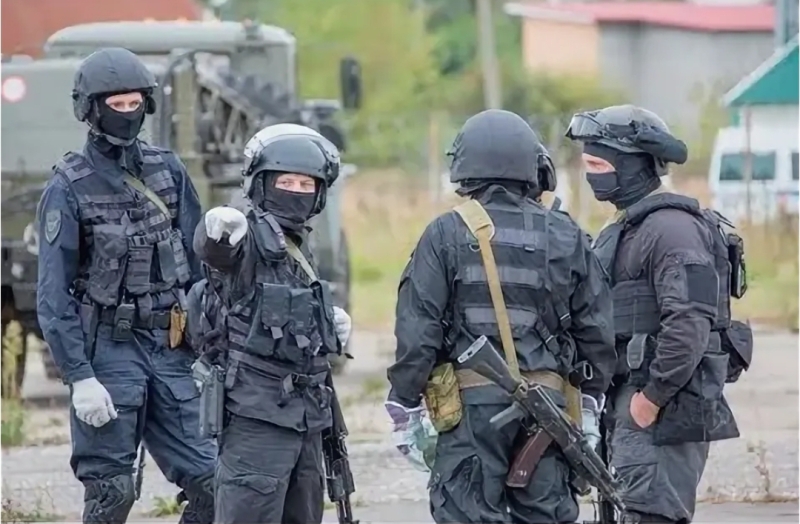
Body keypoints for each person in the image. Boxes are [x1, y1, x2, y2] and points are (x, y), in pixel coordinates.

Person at [385, 109, 617, 523]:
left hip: (471, 414)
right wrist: (590, 399)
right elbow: (596, 331)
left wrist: (404, 400)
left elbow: (418, 329)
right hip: (550, 409)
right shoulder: (566, 234)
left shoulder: (445, 233)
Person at [35, 48, 216, 523]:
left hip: (172, 346)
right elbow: (53, 297)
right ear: (91, 109)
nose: (127, 113)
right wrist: (79, 376)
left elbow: (200, 267)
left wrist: (213, 341)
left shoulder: (168, 170)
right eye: (116, 105)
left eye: (135, 103)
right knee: (112, 493)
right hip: (108, 354)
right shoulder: (68, 187)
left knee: (215, 483)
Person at [566, 104, 751, 523]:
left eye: (598, 164)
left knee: (651, 515)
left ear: (632, 164)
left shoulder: (672, 229)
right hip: (630, 403)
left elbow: (689, 323)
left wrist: (652, 398)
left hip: (660, 410)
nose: (591, 175)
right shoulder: (630, 227)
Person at [191, 123, 353, 524]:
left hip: (306, 419)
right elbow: (217, 256)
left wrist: (326, 324)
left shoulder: (297, 246)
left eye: (305, 184)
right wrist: (217, 233)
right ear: (261, 184)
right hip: (257, 423)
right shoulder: (246, 238)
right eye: (285, 182)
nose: (296, 191)